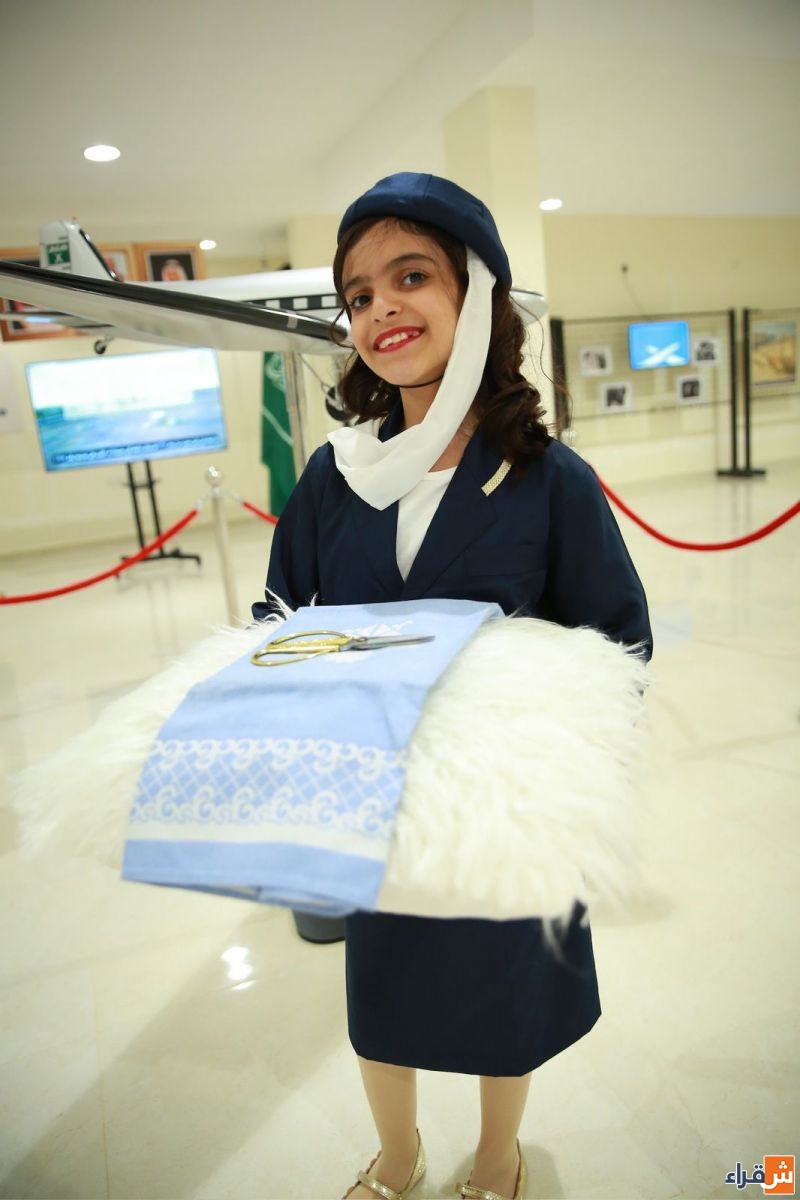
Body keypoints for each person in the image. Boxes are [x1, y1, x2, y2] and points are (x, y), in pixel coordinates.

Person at [252, 172, 653, 1200]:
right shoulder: (335, 477)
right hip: (374, 805)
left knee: (503, 991)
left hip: (498, 812)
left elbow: (618, 641)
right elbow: (276, 615)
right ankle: (398, 1157)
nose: (379, 309)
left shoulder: (547, 478)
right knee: (381, 991)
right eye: (358, 295)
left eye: (410, 277)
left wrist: (550, 759)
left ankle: (496, 1156)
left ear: (475, 294)